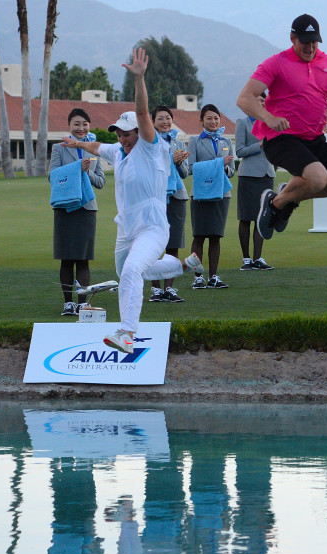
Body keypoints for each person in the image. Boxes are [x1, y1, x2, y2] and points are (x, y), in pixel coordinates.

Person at [62, 48, 203, 353]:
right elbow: (100, 147)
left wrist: (139, 79)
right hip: (126, 229)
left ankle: (127, 332)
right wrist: (76, 143)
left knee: (131, 272)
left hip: (152, 228)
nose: (123, 137)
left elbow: (142, 113)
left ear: (141, 132)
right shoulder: (119, 151)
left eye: (127, 133)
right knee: (128, 269)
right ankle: (184, 264)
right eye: (119, 133)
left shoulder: (150, 147)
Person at [235, 14, 327, 240]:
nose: (310, 46)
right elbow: (244, 98)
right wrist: (268, 118)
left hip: (313, 139)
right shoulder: (275, 63)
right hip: (280, 138)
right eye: (305, 41)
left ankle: (285, 198)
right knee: (318, 178)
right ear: (292, 38)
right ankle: (277, 203)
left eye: (314, 41)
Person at [50, 108, 106, 316]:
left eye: (84, 124)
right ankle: (68, 303)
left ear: (89, 125)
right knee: (66, 258)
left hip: (87, 209)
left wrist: (87, 171)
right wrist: (76, 168)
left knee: (83, 259)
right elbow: (52, 176)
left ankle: (82, 303)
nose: (81, 128)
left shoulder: (95, 148)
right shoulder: (59, 148)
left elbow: (101, 182)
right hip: (65, 208)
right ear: (69, 126)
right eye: (76, 124)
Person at [187, 104, 235, 290]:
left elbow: (231, 172)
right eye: (209, 118)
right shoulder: (195, 141)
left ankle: (213, 277)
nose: (213, 122)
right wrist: (217, 163)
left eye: (216, 118)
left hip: (221, 194)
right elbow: (191, 168)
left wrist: (223, 167)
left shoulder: (226, 142)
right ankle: (198, 277)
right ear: (201, 121)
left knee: (215, 237)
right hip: (200, 194)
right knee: (199, 237)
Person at [148, 105, 190, 304]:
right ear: (153, 121)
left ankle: (169, 289)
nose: (165, 122)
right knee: (155, 244)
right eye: (160, 119)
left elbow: (184, 174)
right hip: (156, 197)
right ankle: (155, 289)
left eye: (168, 118)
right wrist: (169, 160)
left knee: (173, 244)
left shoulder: (179, 142)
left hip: (177, 197)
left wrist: (179, 163)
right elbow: (149, 168)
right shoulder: (148, 143)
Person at [235, 95, 276, 271]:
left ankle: (258, 258)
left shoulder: (270, 122)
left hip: (267, 174)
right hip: (248, 176)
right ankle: (246, 259)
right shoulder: (243, 123)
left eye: (263, 101)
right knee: (246, 218)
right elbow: (239, 151)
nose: (261, 104)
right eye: (258, 101)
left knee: (262, 217)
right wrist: (259, 144)